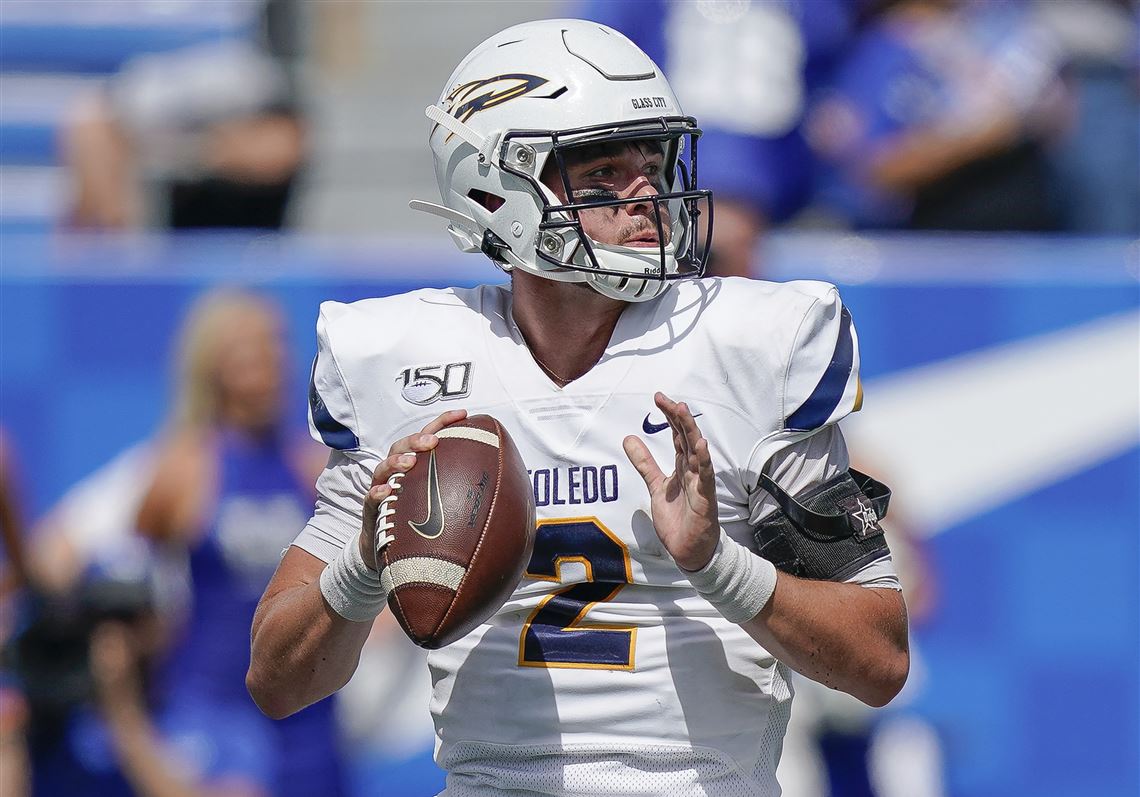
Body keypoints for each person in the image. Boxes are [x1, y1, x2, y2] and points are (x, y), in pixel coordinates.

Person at [248, 19, 909, 797]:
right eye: (604, 174)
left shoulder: (749, 345)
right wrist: (364, 566)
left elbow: (880, 661)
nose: (647, 196)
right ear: (495, 190)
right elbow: (276, 682)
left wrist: (719, 564)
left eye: (652, 164)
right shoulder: (404, 363)